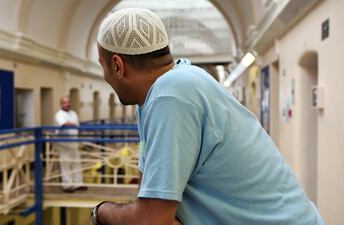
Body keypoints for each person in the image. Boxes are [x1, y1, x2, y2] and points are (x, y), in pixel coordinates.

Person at [91, 8, 324, 225]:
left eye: (102, 66)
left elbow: (151, 219)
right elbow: (148, 198)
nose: (105, 76)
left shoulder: (171, 95)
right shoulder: (159, 95)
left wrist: (100, 211)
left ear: (117, 65)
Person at [55, 96, 85, 192]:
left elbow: (77, 126)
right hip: (64, 144)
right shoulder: (59, 114)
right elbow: (65, 123)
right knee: (66, 163)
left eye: (68, 102)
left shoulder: (73, 114)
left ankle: (78, 183)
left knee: (76, 162)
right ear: (61, 104)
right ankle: (67, 185)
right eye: (64, 102)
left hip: (74, 142)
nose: (67, 104)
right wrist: (74, 124)